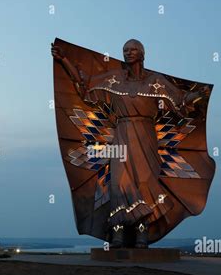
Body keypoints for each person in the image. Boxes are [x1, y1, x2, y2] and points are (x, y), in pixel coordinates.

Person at [52, 39, 211, 249]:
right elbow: (86, 85)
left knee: (145, 183)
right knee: (118, 184)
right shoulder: (114, 80)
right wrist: (64, 60)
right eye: (125, 50)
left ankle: (141, 234)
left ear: (142, 54)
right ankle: (117, 233)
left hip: (146, 138)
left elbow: (180, 100)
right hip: (122, 135)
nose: (128, 53)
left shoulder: (156, 82)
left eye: (133, 49)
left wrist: (199, 96)